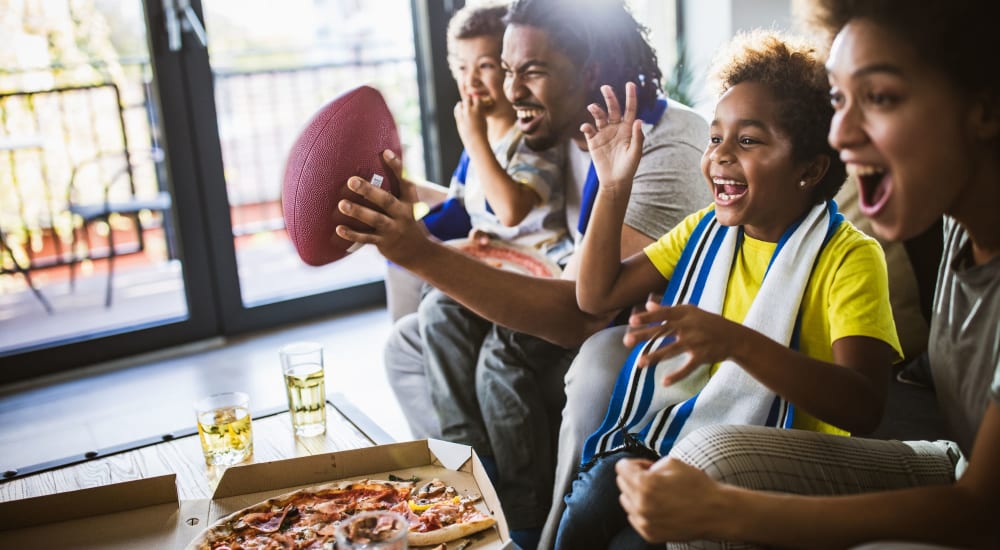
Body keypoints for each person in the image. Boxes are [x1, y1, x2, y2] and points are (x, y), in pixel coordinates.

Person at [614, 0, 1000, 547]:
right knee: (698, 452)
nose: (840, 134)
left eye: (881, 98)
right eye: (840, 101)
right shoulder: (962, 231)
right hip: (953, 463)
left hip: (968, 490)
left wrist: (727, 512)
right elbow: (593, 296)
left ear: (984, 109)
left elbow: (984, 512)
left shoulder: (848, 252)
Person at [342, 0, 710, 545]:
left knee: (499, 357)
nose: (511, 91)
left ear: (589, 70)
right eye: (507, 69)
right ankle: (465, 494)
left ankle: (518, 521)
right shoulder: (562, 125)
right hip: (570, 286)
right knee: (415, 336)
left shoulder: (660, 146)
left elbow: (580, 314)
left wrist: (420, 251)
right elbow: (501, 208)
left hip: (629, 334)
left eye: (531, 71)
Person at [555, 30, 902, 549]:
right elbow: (596, 296)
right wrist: (613, 187)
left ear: (810, 169)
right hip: (684, 432)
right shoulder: (703, 231)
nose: (720, 156)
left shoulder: (850, 256)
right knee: (589, 504)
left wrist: (736, 341)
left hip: (783, 456)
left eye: (748, 140)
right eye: (715, 137)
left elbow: (862, 406)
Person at [384, 2, 568, 320]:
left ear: (509, 67)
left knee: (431, 294)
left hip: (538, 269)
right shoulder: (483, 136)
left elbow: (510, 210)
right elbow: (472, 201)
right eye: (462, 68)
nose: (471, 81)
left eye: (485, 66)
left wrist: (474, 141)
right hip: (498, 256)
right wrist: (405, 187)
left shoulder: (531, 137)